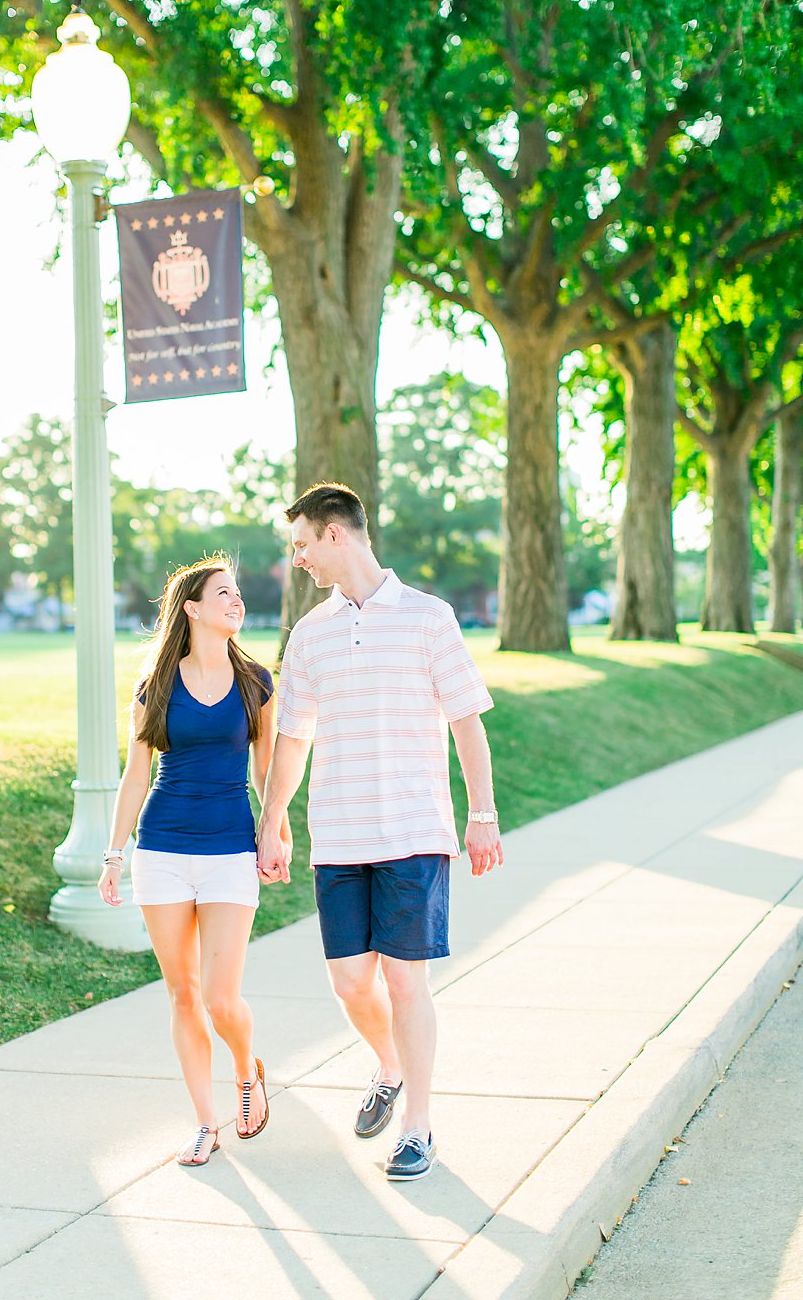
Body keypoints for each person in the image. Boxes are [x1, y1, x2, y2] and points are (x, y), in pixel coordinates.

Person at [256, 482, 503, 1183]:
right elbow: (294, 741)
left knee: (405, 984)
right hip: (338, 834)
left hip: (415, 831)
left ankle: (419, 1126)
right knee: (348, 983)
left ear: (336, 533)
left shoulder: (429, 618)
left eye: (302, 543)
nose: (298, 558)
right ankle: (389, 1065)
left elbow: (466, 722)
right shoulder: (309, 634)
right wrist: (272, 821)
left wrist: (480, 814)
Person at [98, 556, 281, 1167]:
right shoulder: (155, 685)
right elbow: (134, 775)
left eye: (239, 592)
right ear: (193, 609)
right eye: (223, 593)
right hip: (163, 850)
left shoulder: (257, 683)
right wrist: (113, 853)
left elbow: (266, 770)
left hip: (230, 849)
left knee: (222, 1000)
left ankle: (246, 1067)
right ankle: (206, 1123)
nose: (237, 601)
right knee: (183, 995)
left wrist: (273, 830)